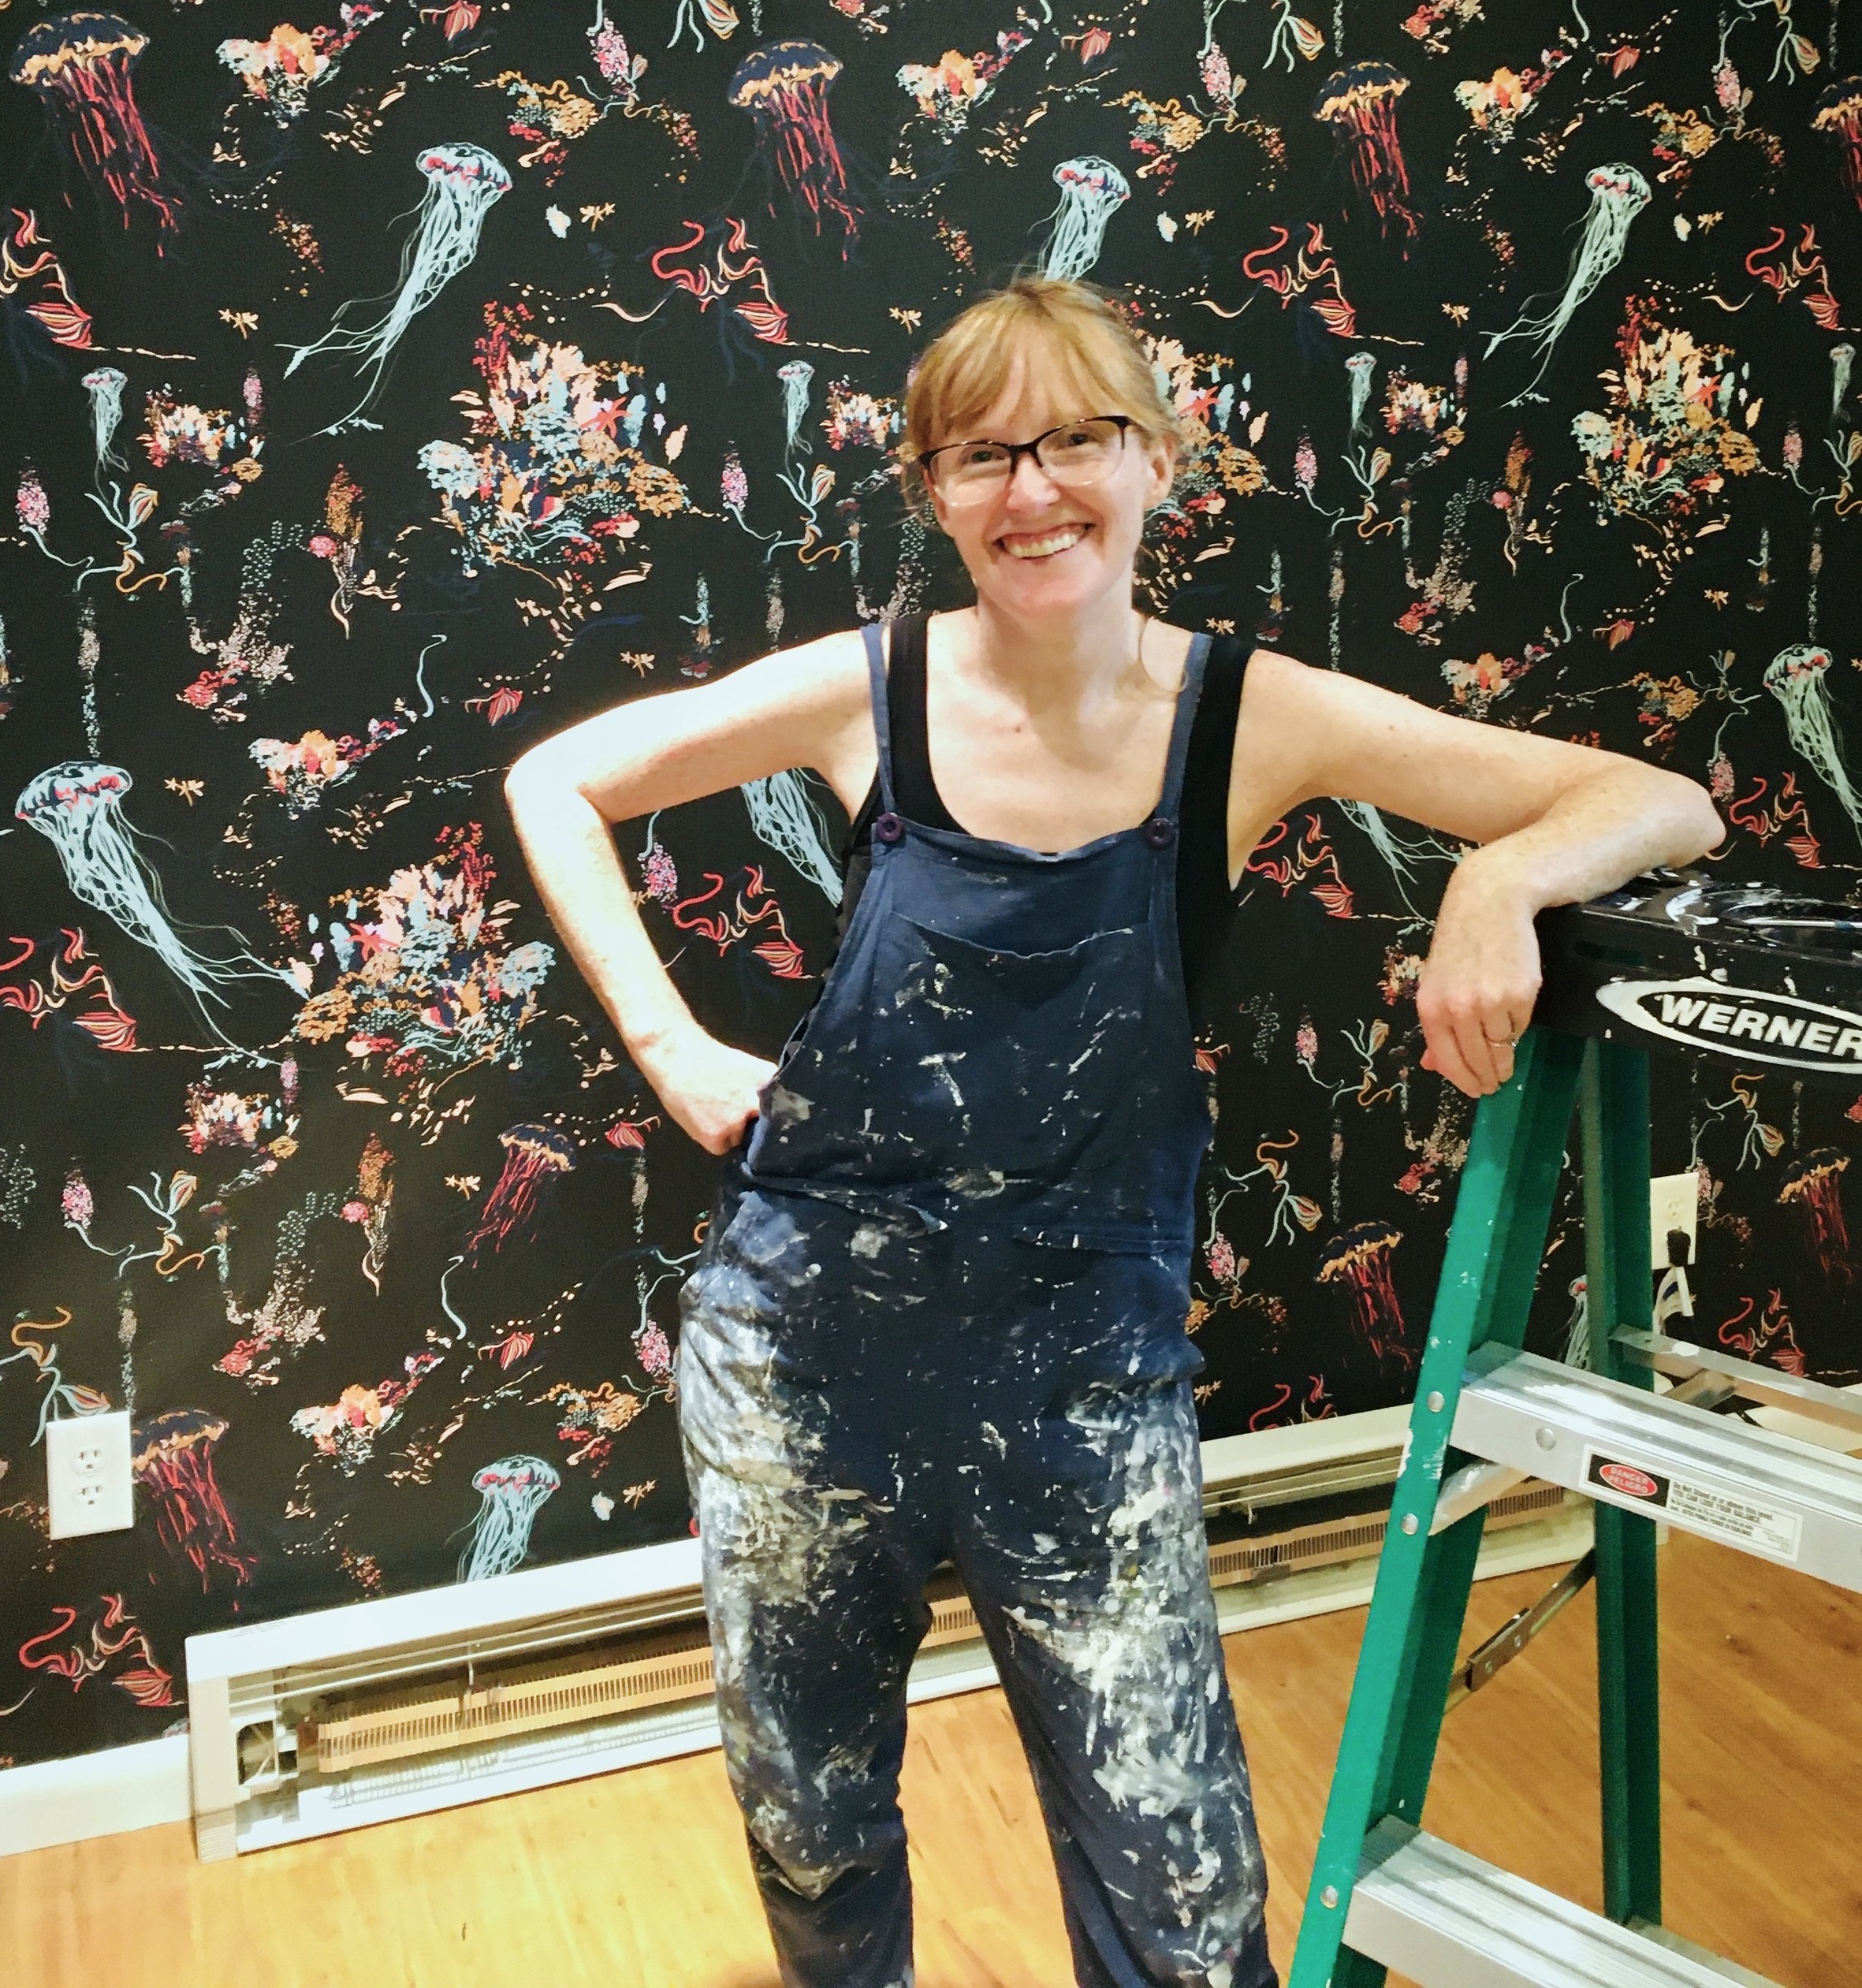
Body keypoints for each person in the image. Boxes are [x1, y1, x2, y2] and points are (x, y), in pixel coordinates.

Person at [504, 277, 1722, 1988]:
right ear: (931, 488)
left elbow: (1658, 797)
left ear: (1155, 459)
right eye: (983, 452)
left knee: (1176, 1880)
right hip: (801, 1353)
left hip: (1082, 1370)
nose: (1032, 489)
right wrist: (669, 1043)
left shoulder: (1247, 715)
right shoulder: (875, 690)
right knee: (810, 1813)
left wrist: (1498, 876)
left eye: (1077, 438)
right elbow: (557, 777)